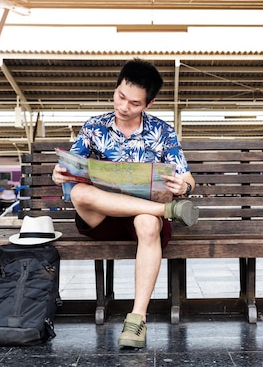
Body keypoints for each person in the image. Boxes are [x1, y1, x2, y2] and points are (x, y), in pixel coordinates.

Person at [51, 58, 199, 349]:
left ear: (149, 104)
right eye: (120, 96)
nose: (123, 107)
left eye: (134, 103)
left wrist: (184, 186)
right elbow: (72, 166)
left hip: (143, 222)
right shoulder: (94, 127)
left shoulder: (162, 132)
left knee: (145, 222)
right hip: (102, 218)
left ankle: (137, 318)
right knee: (79, 194)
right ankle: (166, 211)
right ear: (116, 88)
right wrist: (60, 173)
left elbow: (188, 179)